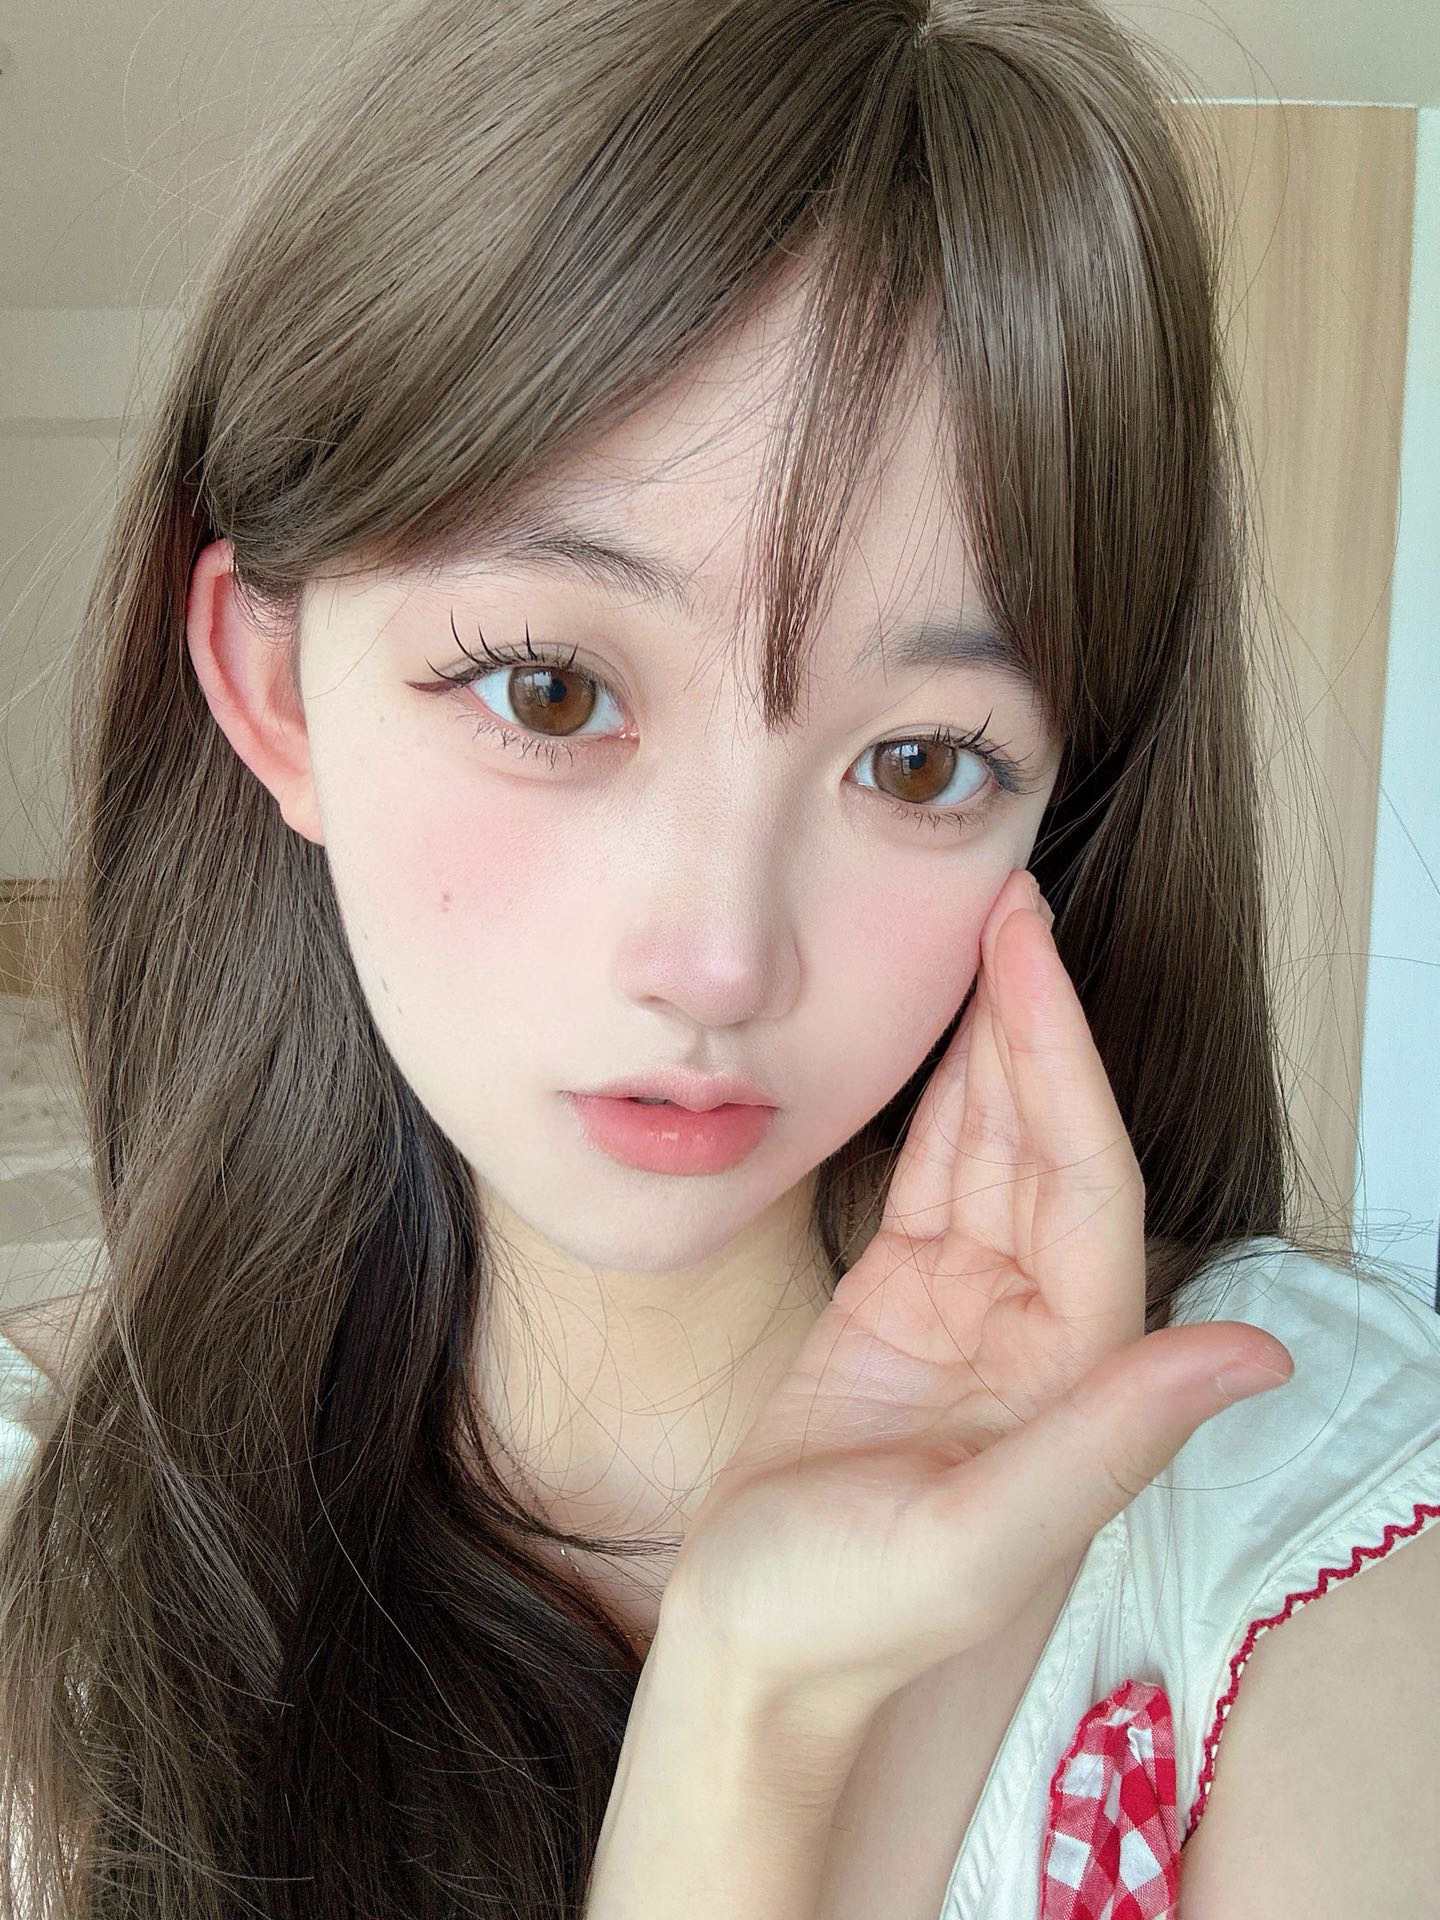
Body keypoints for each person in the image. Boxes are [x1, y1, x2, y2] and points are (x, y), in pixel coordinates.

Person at [1, 0, 1437, 1914]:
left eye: (916, 764)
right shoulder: (44, 1548)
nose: (718, 959)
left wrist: (783, 1705)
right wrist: (747, 1754)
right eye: (550, 689)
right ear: (274, 687)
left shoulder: (1294, 1490)